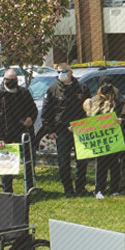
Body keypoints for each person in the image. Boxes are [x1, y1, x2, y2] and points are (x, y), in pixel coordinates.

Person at [43, 64, 91, 197]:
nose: (60, 74)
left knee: (82, 160)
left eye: (63, 71)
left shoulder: (82, 88)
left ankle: (80, 187)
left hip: (80, 128)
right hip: (61, 130)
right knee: (63, 162)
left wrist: (83, 125)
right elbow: (47, 112)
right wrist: (50, 130)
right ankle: (68, 189)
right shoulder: (53, 89)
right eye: (58, 71)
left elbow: (89, 109)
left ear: (70, 72)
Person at [0, 68, 38, 193]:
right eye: (8, 80)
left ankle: (30, 188)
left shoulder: (24, 93)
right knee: (7, 167)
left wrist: (30, 119)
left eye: (13, 80)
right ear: (4, 80)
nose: (11, 82)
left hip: (24, 133)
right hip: (6, 135)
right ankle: (7, 191)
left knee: (29, 163)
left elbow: (33, 110)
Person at [83, 76, 125, 200]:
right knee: (101, 165)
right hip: (101, 139)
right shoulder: (95, 102)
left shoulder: (119, 101)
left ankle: (114, 189)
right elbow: (90, 121)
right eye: (104, 85)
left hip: (114, 138)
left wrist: (121, 121)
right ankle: (99, 189)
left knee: (114, 164)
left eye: (109, 84)